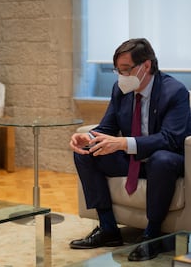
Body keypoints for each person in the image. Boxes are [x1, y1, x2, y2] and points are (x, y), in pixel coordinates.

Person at [69, 38, 191, 261]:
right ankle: (108, 229)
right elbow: (107, 127)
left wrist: (124, 143)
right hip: (133, 161)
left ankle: (151, 237)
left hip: (166, 162)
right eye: (118, 70)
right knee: (87, 154)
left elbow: (171, 139)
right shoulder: (120, 89)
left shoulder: (174, 92)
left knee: (161, 159)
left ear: (146, 66)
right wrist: (87, 137)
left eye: (126, 70)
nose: (121, 76)